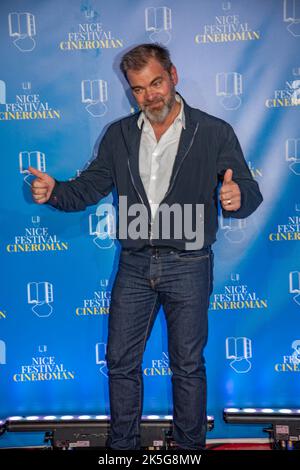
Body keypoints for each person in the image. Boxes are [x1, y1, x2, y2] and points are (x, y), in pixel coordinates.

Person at [29, 43, 263, 450]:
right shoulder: (119, 134)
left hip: (190, 263)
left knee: (187, 367)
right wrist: (54, 192)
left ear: (173, 75)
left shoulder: (213, 131)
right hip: (135, 264)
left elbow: (248, 190)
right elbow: (89, 187)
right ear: (130, 92)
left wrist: (237, 197)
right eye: (138, 89)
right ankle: (122, 450)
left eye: (155, 82)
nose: (150, 95)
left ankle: (190, 451)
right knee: (121, 363)